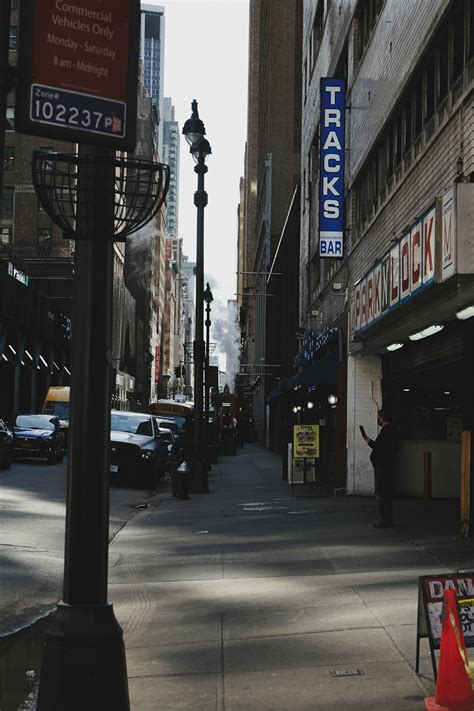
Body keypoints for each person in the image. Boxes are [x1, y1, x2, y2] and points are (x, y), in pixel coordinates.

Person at [362, 409, 399, 529]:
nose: (378, 419)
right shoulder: (392, 431)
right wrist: (369, 441)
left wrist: (371, 443)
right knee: (384, 493)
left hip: (382, 467)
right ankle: (388, 519)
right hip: (384, 465)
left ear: (382, 418)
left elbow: (380, 449)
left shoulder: (387, 431)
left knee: (382, 493)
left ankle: (386, 520)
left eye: (379, 417)